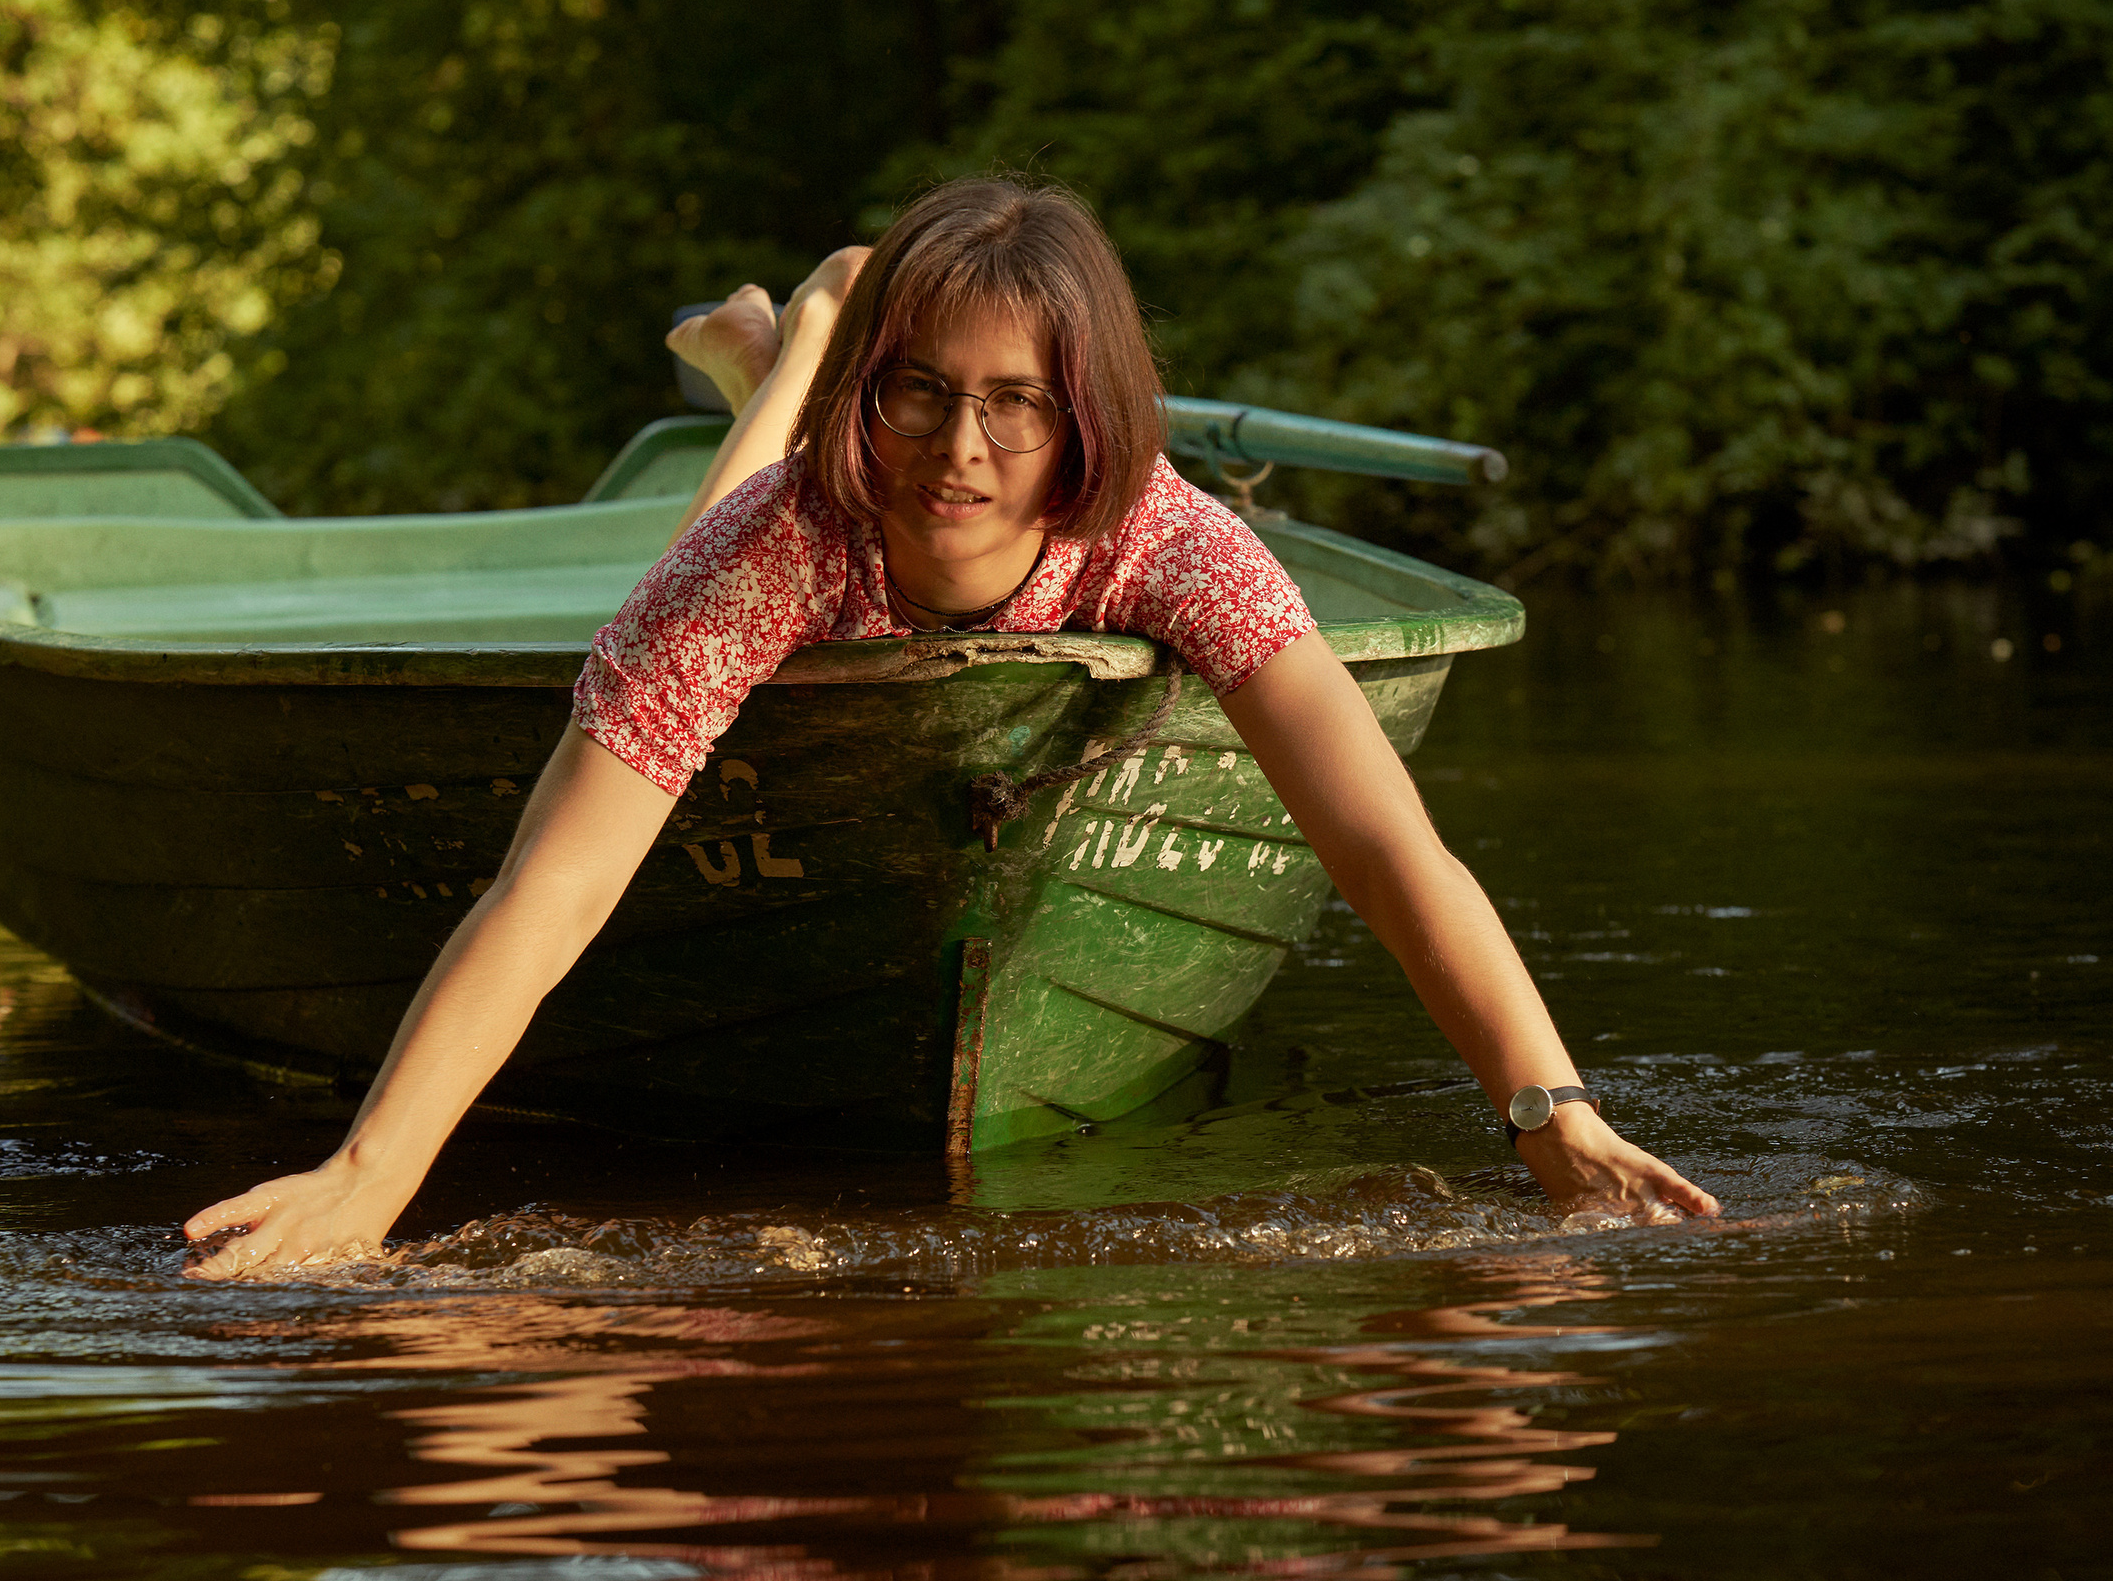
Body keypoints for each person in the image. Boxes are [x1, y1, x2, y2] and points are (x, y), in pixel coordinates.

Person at [184, 178, 1718, 1276]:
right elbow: (555, 888)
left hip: (902, 537)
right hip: (795, 562)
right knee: (712, 533)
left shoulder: (1171, 542)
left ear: (1089, 420)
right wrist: (366, 1184)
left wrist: (1550, 1112)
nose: (960, 451)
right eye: (912, 393)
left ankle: (778, 354)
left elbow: (1388, 844)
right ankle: (787, 363)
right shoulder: (772, 548)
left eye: (1015, 404)